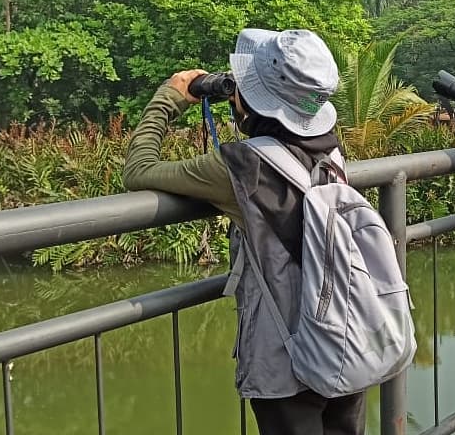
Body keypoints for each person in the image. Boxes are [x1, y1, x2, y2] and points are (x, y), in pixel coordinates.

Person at [123, 28, 367, 435]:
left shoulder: (238, 167)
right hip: (347, 333)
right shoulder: (331, 149)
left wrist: (169, 97)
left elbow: (138, 171)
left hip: (287, 354)